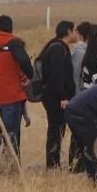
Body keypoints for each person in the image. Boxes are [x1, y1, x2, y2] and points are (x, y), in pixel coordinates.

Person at [0, 15, 33, 163]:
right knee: (11, 135)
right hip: (12, 96)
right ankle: (12, 164)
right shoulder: (14, 44)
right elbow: (24, 61)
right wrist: (29, 75)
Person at [34, 21, 77, 169]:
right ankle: (52, 163)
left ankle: (54, 162)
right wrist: (63, 96)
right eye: (74, 30)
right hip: (55, 98)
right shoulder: (58, 48)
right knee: (55, 130)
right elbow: (57, 75)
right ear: (68, 31)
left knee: (57, 129)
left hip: (54, 96)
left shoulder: (57, 47)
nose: (76, 34)